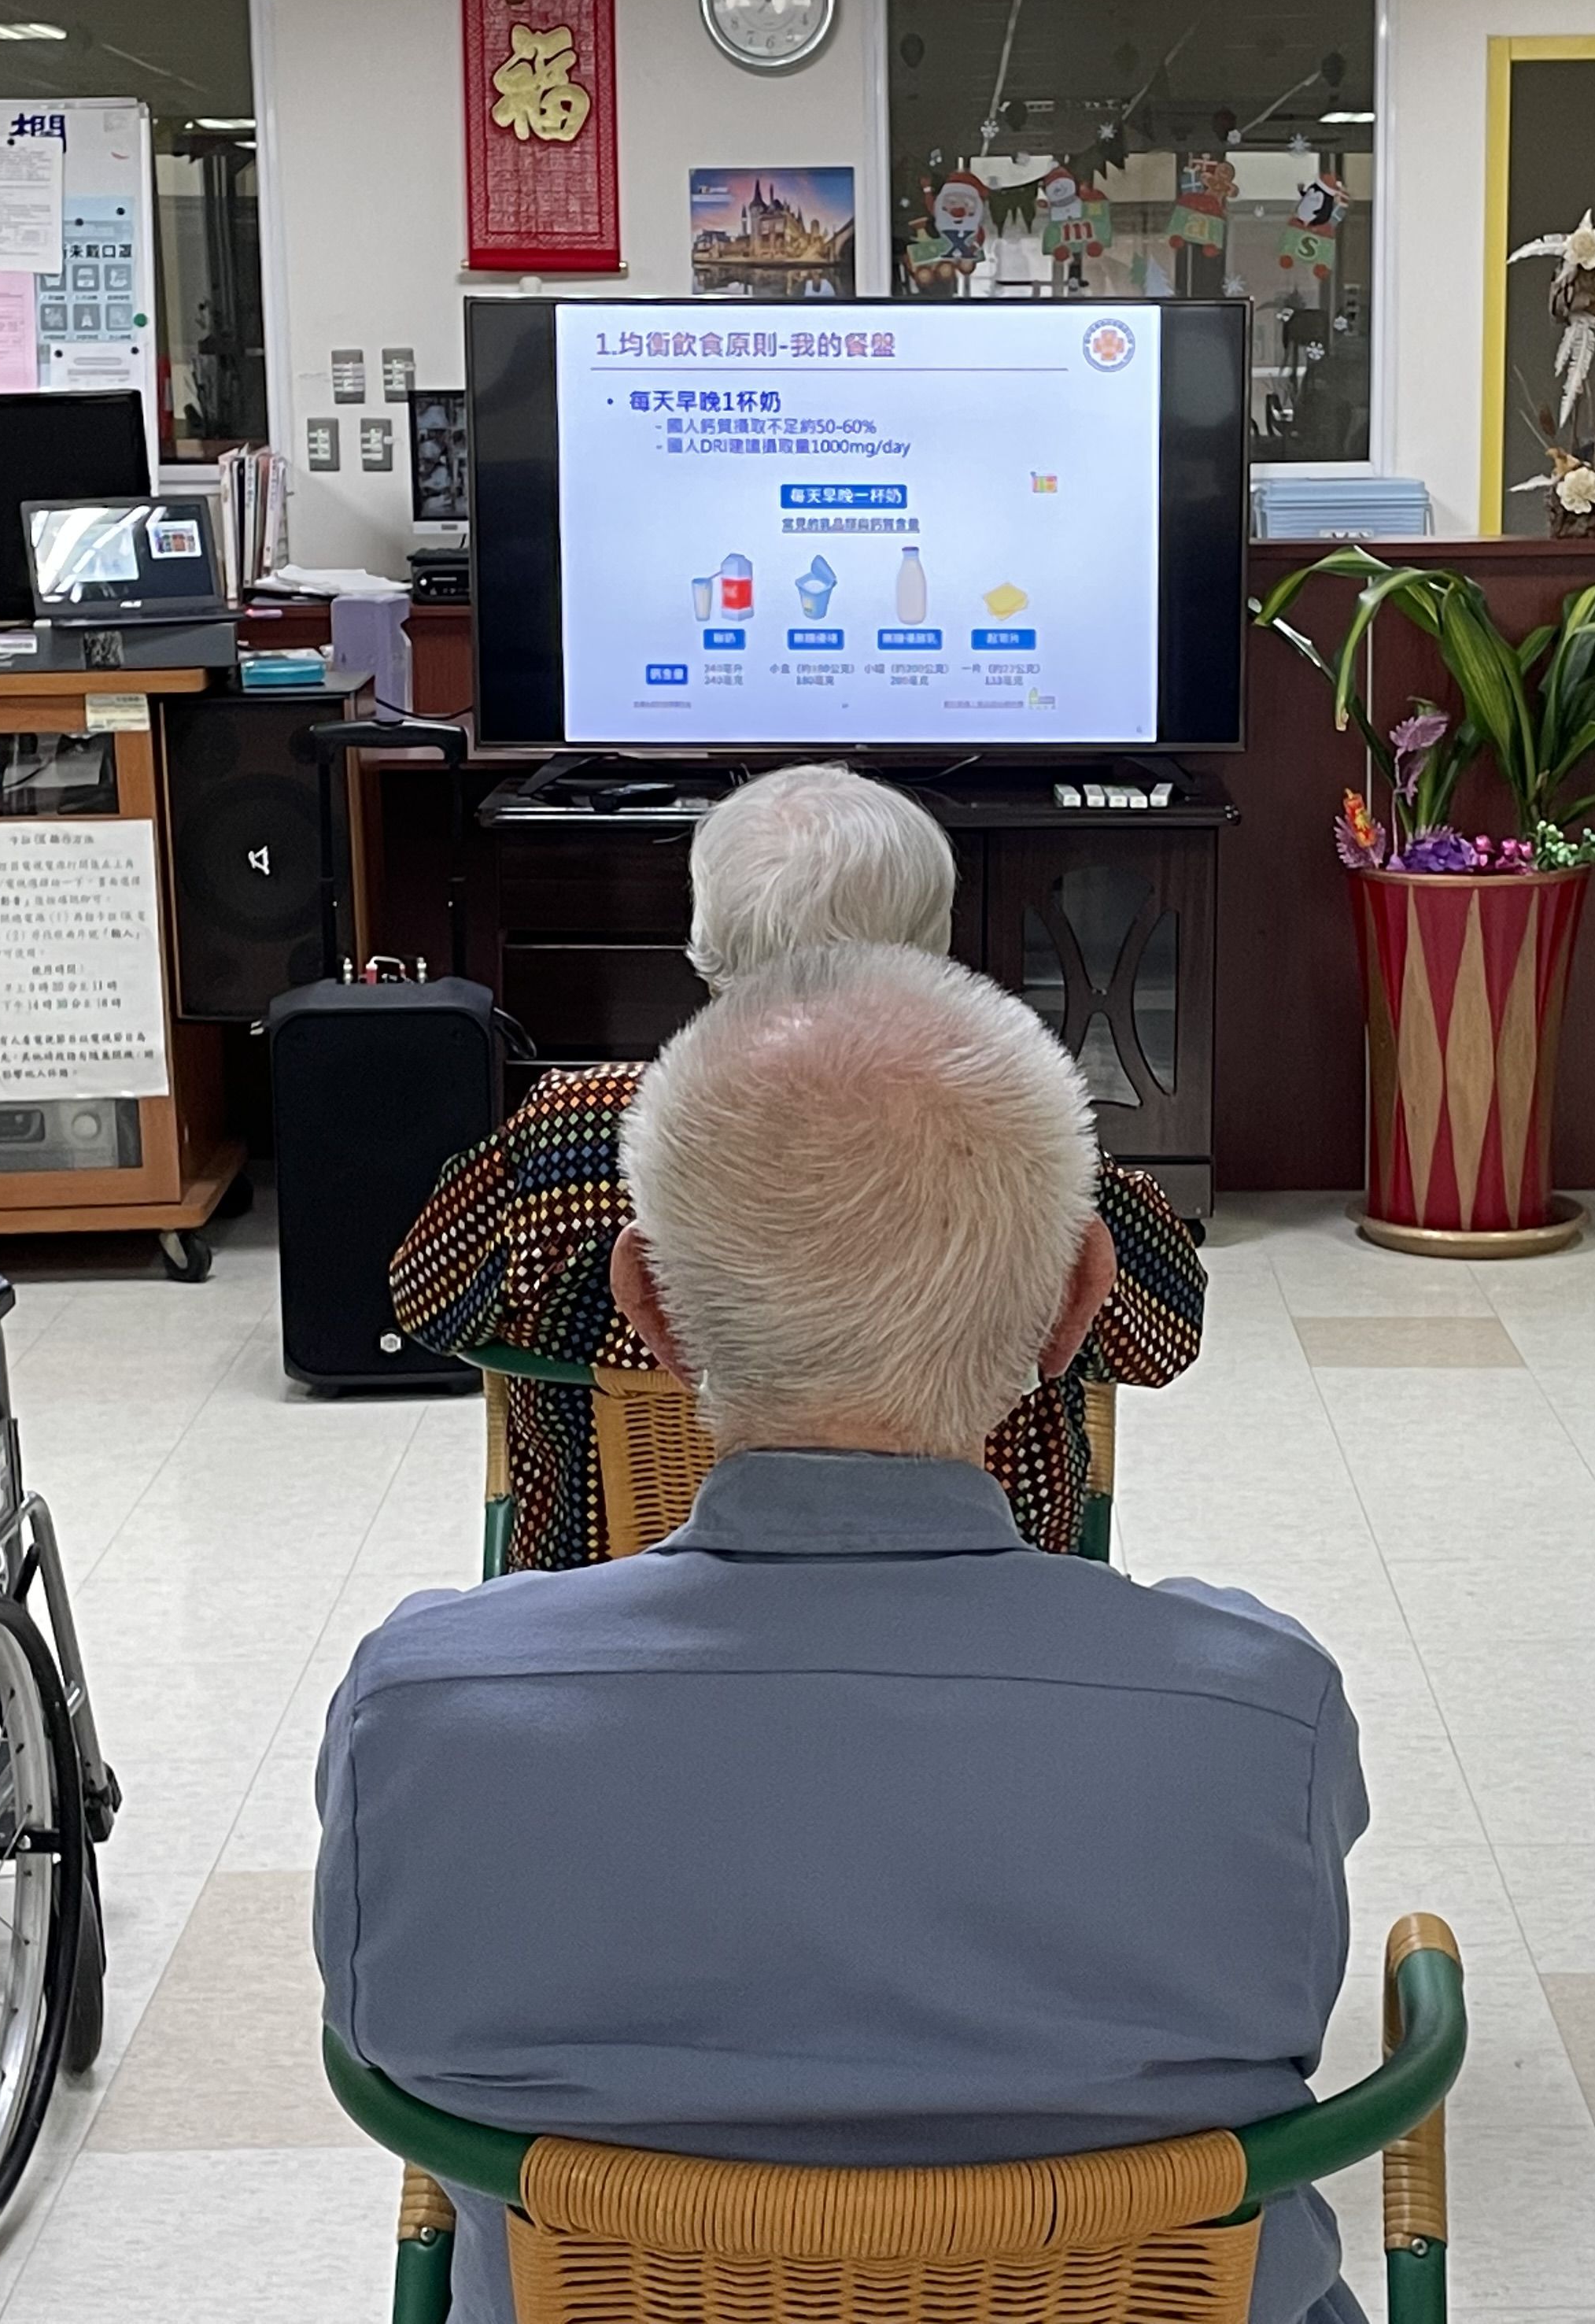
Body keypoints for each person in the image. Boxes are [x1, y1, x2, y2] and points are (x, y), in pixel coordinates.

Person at [318, 944, 1369, 2324]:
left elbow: (389, 2052)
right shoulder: (1260, 1715)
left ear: (648, 1306)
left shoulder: (424, 1712)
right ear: (1073, 1304)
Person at [389, 762, 1203, 1568]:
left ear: (705, 941)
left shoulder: (574, 1134)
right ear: (933, 945)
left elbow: (427, 1301)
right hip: (978, 1588)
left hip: (614, 1573)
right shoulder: (1013, 1130)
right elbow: (1165, 1338)